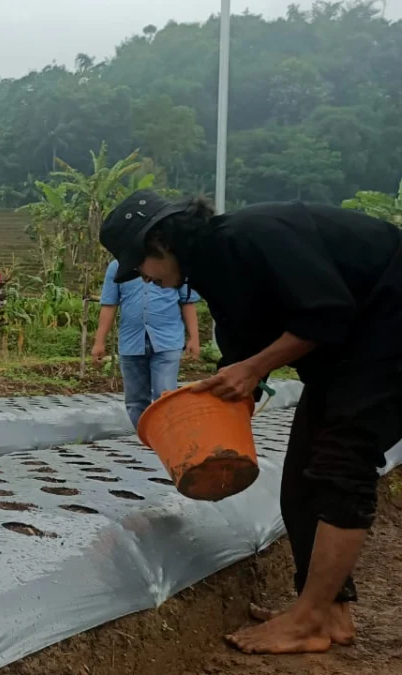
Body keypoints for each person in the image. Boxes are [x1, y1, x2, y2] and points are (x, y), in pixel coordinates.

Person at [100, 189, 402, 656]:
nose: (145, 277)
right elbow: (241, 354)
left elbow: (326, 312)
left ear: (160, 243)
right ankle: (328, 612)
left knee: (343, 464)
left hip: (389, 325)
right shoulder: (215, 274)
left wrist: (253, 368)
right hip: (353, 349)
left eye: (142, 264)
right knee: (303, 477)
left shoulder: (251, 236)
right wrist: (214, 412)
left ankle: (307, 621)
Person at [92, 258, 200, 429]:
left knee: (165, 396)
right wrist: (99, 342)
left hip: (167, 340)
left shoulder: (173, 262)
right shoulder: (117, 267)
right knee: (135, 401)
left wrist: (194, 338)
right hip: (131, 341)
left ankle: (166, 440)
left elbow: (187, 302)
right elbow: (109, 305)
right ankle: (146, 439)